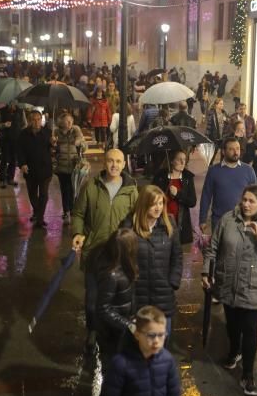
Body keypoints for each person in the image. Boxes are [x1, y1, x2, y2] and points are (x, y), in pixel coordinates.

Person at [202, 185, 257, 396]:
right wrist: (206, 273)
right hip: (229, 283)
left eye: (252, 201)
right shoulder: (228, 220)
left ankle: (248, 375)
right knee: (232, 325)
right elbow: (213, 248)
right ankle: (234, 351)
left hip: (254, 287)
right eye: (244, 200)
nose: (246, 204)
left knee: (250, 330)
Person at [72, 149, 138, 350]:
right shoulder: (91, 187)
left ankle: (115, 334)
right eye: (110, 161)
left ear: (124, 164)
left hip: (120, 254)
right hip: (95, 253)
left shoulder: (131, 190)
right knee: (92, 301)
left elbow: (136, 220)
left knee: (116, 299)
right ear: (104, 162)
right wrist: (77, 233)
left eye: (118, 161)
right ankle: (92, 331)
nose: (114, 165)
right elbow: (78, 214)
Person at [132, 185, 183, 338]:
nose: (158, 208)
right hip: (138, 296)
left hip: (163, 296)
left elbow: (177, 256)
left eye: (161, 203)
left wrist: (173, 281)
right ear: (144, 204)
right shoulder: (130, 226)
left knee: (162, 343)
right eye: (153, 204)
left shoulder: (169, 224)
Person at [95, 228, 138, 370]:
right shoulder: (111, 275)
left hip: (122, 330)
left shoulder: (126, 266)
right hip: (112, 334)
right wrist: (128, 324)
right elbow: (103, 308)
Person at [199, 136, 257, 233]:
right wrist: (202, 219)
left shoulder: (248, 170)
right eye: (231, 149)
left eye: (237, 148)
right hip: (219, 220)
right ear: (223, 151)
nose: (236, 152)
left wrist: (256, 217)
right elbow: (206, 195)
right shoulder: (213, 171)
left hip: (243, 220)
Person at [17, 110, 56, 227]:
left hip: (45, 169)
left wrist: (53, 143)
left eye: (39, 119)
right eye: (34, 120)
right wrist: (22, 164)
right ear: (29, 121)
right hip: (30, 169)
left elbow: (53, 150)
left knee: (44, 194)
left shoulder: (48, 132)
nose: (37, 122)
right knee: (32, 194)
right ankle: (37, 211)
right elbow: (20, 151)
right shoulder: (23, 134)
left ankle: (40, 218)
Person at [152, 150, 197, 244]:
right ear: (172, 161)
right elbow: (152, 197)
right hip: (163, 220)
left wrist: (178, 194)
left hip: (181, 223)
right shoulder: (160, 177)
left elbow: (192, 202)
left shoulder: (187, 178)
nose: (182, 162)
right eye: (179, 159)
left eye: (184, 159)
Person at [54, 113, 86, 222]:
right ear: (61, 122)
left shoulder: (76, 131)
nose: (69, 123)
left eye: (70, 121)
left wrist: (80, 143)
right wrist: (53, 144)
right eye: (66, 121)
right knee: (64, 189)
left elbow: (85, 147)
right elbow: (53, 150)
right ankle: (66, 211)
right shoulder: (56, 132)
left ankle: (72, 210)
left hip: (74, 167)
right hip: (61, 167)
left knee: (73, 189)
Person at [0, 101, 26, 187]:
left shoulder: (21, 111)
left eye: (14, 102)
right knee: (4, 159)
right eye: (11, 102)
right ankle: (2, 179)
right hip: (5, 139)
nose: (12, 104)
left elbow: (24, 124)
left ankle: (10, 178)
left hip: (17, 140)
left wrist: (20, 131)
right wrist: (3, 125)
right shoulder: (1, 111)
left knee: (14, 159)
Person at [205, 97, 229, 165]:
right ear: (216, 105)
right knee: (212, 154)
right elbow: (209, 126)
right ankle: (210, 167)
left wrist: (226, 119)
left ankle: (222, 167)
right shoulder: (212, 113)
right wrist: (207, 137)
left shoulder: (224, 113)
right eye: (220, 104)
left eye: (222, 104)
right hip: (214, 137)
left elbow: (228, 121)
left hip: (222, 137)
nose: (222, 105)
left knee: (223, 154)